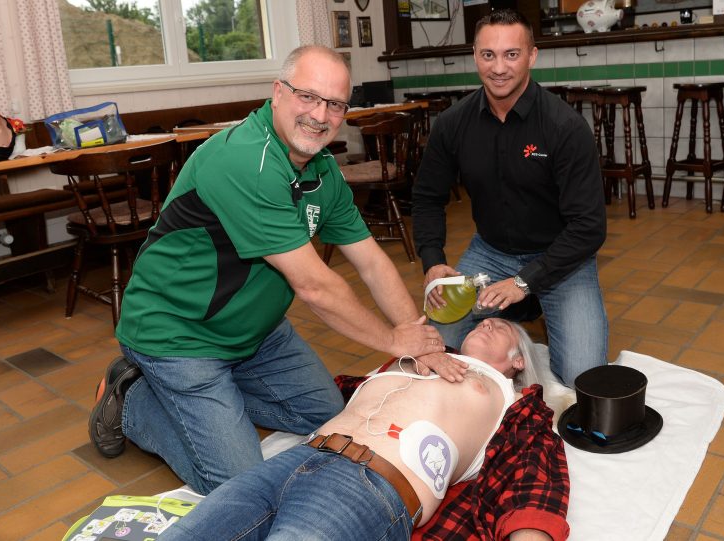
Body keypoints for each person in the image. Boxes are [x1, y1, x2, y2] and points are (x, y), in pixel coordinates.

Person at [89, 45, 447, 496]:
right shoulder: (246, 160)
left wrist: (415, 337)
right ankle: (130, 401)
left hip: (257, 333)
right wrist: (395, 342)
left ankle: (216, 402)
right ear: (277, 93)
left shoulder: (323, 171)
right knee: (239, 484)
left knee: (326, 414)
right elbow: (315, 287)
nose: (320, 115)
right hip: (179, 335)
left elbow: (372, 261)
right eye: (308, 97)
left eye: (335, 104)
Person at [159, 318, 569, 541]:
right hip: (297, 458)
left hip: (371, 484)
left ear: (518, 362)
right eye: (483, 322)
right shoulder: (420, 360)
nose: (487, 325)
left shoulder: (515, 403)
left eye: (502, 328)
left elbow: (533, 471)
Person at [412, 9, 608, 387]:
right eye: (488, 55)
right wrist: (433, 262)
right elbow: (426, 197)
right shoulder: (453, 124)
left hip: (563, 259)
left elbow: (589, 228)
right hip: (491, 254)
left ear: (532, 56)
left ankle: (525, 310)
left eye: (511, 55)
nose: (499, 67)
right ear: (475, 55)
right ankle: (516, 321)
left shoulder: (565, 127)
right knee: (439, 349)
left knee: (583, 379)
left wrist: (522, 282)